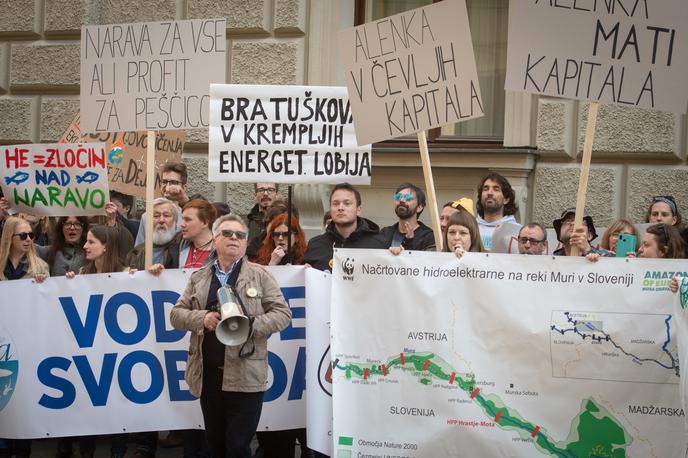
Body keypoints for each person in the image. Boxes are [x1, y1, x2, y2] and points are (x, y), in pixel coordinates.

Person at [170, 214, 292, 458]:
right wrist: (202, 319)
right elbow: (176, 315)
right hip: (208, 375)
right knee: (214, 445)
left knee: (238, 446)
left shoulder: (261, 274)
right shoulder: (199, 277)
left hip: (246, 375)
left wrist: (249, 325)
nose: (235, 238)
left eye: (241, 235)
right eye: (227, 233)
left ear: (246, 243)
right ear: (215, 239)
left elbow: (283, 314)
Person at [65, 224, 128, 457]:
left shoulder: (126, 274)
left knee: (118, 402)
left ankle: (118, 451)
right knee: (88, 404)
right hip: (91, 351)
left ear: (106, 247)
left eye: (91, 242)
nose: (85, 245)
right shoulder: (82, 273)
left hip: (116, 351)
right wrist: (67, 284)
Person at [0, 217, 49, 458]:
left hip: (29, 345)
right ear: (9, 238)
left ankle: (22, 448)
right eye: (23, 235)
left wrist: (42, 286)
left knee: (24, 397)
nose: (29, 239)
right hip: (3, 344)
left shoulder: (40, 267)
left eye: (31, 234)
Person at [304, 183, 385, 271]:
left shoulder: (378, 245)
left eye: (347, 203)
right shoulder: (315, 245)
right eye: (335, 204)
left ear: (358, 210)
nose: (340, 208)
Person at [135, 162, 190, 245]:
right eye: (164, 182)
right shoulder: (147, 217)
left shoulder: (187, 218)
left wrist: (184, 198)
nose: (167, 186)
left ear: (184, 187)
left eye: (173, 182)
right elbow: (138, 250)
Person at [378, 183, 435, 251]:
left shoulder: (428, 237)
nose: (401, 200)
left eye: (408, 198)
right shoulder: (385, 233)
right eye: (398, 197)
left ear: (419, 207)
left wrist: (409, 242)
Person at [127, 198, 180, 269]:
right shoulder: (137, 253)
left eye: (166, 215)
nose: (161, 220)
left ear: (175, 221)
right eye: (156, 216)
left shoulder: (181, 248)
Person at [475, 172, 518, 250]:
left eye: (496, 189)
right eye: (486, 189)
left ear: (506, 199)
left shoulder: (515, 230)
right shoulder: (471, 227)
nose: (489, 193)